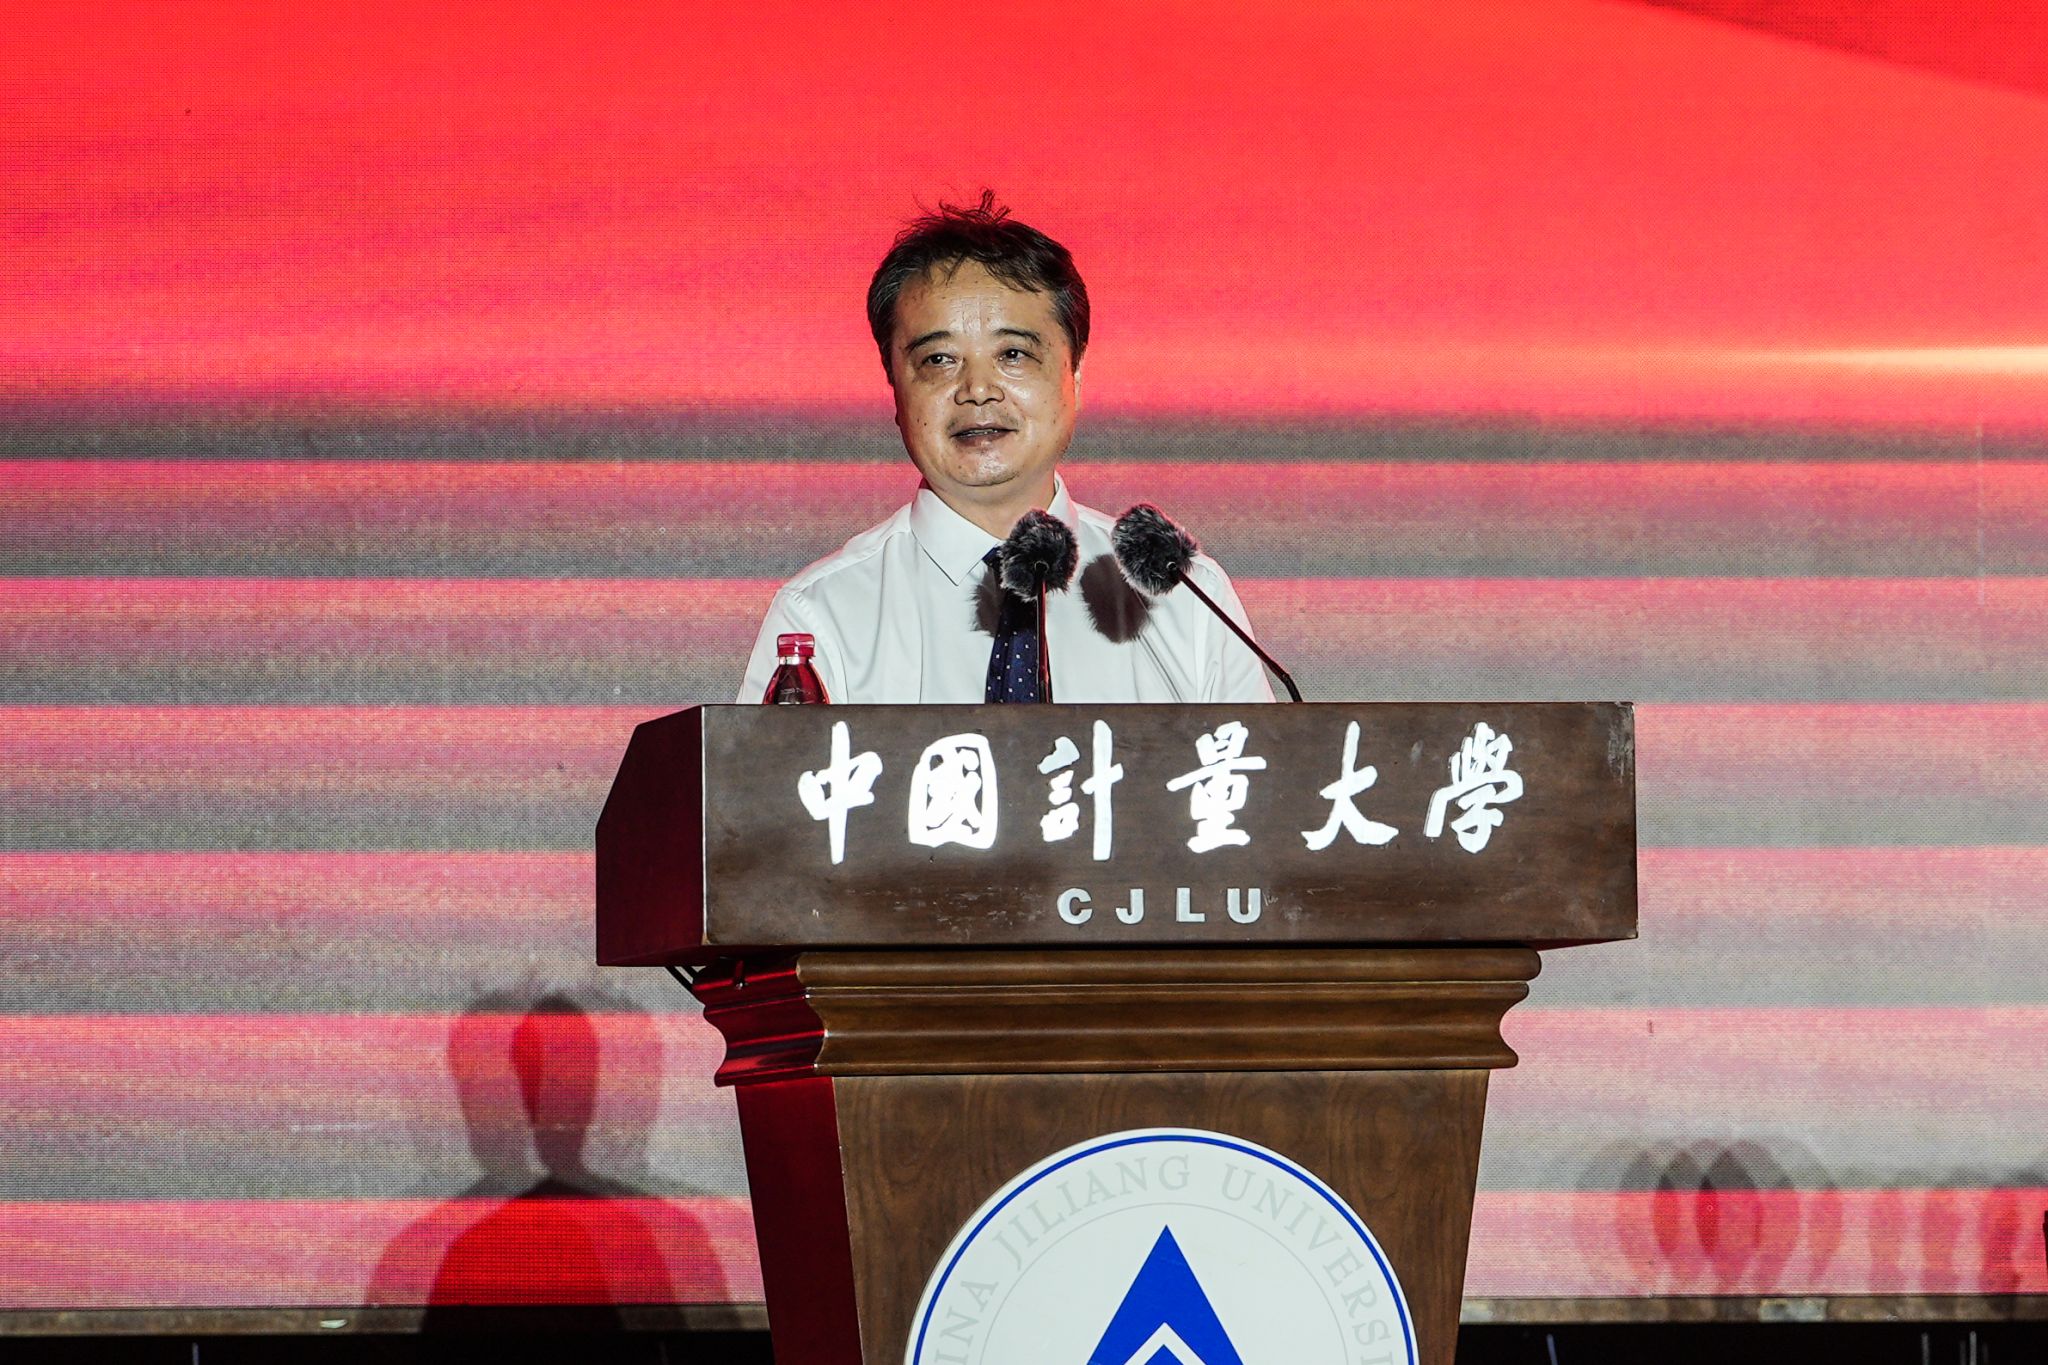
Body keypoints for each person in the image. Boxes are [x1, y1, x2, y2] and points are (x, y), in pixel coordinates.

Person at [738, 193, 1274, 705]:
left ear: (1074, 376)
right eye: (939, 360)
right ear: (894, 385)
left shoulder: (1184, 597)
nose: (977, 389)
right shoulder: (819, 617)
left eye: (1013, 354)